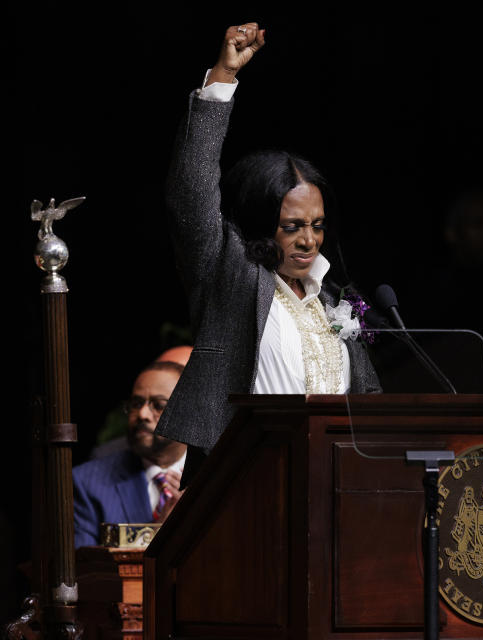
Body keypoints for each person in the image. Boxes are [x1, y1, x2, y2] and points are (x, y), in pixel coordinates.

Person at [155, 24, 381, 484]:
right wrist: (222, 77)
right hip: (248, 483)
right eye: (292, 227)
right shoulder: (230, 276)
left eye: (316, 226)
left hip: (338, 486)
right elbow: (190, 194)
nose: (308, 240)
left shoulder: (331, 297)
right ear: (263, 225)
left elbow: (369, 400)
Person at [73, 361, 187, 547]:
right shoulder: (86, 483)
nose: (142, 414)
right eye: (136, 403)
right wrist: (157, 534)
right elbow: (85, 571)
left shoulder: (216, 474)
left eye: (158, 405)